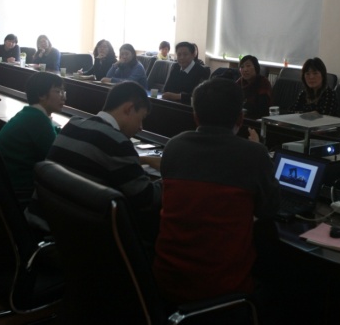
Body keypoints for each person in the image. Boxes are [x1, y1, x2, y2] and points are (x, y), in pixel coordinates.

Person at [153, 78, 280, 304]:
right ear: (240, 119)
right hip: (224, 291)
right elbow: (270, 209)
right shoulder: (253, 154)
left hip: (165, 283)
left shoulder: (174, 146)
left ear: (195, 116)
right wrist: (258, 149)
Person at [29, 81, 161, 239]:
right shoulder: (118, 142)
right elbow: (147, 200)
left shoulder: (73, 125)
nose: (141, 127)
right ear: (129, 108)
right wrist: (172, 174)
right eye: (141, 118)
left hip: (39, 224)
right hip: (70, 240)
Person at [0, 72, 65, 204]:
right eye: (58, 91)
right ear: (41, 95)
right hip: (19, 191)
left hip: (3, 185)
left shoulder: (29, 113)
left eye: (63, 91)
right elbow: (58, 158)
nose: (63, 96)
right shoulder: (38, 121)